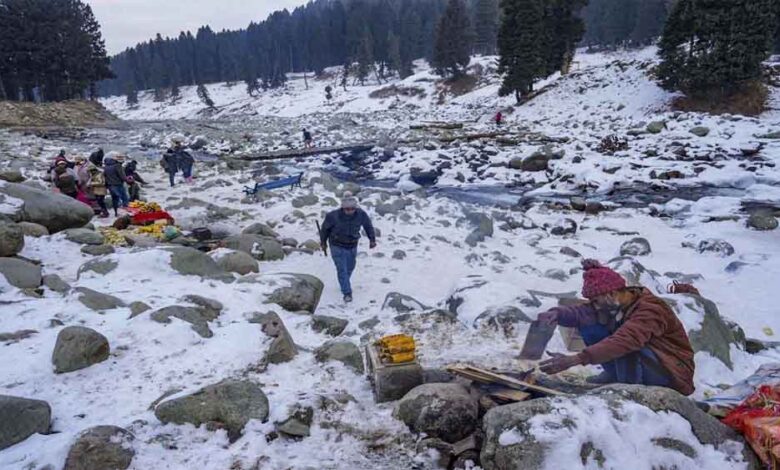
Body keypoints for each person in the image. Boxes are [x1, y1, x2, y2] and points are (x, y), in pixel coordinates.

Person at [537, 259, 695, 396]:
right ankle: (615, 374)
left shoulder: (651, 309)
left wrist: (577, 359)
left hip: (671, 372)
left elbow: (626, 340)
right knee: (590, 324)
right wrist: (557, 314)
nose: (595, 306)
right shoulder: (612, 304)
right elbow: (583, 312)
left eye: (596, 300)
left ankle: (630, 389)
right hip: (648, 362)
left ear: (611, 294)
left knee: (623, 345)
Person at [319, 192, 377, 303]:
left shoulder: (361, 214)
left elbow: (368, 226)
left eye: (352, 209)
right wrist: (323, 242)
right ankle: (347, 292)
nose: (350, 211)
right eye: (347, 209)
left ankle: (344, 281)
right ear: (343, 208)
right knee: (342, 269)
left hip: (352, 244)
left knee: (350, 266)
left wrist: (372, 239)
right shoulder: (333, 216)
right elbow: (324, 230)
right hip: (337, 245)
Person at [104, 152, 130, 216]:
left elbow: (105, 176)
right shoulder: (118, 166)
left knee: (115, 199)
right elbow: (122, 176)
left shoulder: (106, 166)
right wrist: (128, 180)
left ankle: (116, 212)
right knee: (124, 199)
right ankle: (125, 213)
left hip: (110, 185)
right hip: (118, 184)